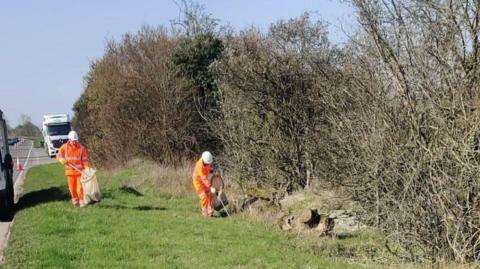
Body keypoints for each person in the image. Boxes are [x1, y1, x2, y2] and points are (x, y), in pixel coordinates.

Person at [56, 131, 89, 207]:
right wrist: (61, 160)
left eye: (76, 141)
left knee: (79, 188)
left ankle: (81, 201)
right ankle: (75, 200)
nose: (74, 142)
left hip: (79, 172)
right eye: (73, 141)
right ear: (69, 139)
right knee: (72, 188)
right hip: (69, 172)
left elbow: (85, 160)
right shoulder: (64, 147)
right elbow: (58, 156)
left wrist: (86, 168)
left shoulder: (81, 148)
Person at [192, 151, 216, 217]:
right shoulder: (199, 166)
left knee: (209, 194)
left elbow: (210, 168)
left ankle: (209, 208)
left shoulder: (208, 162)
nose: (209, 164)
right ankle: (204, 210)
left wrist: (212, 171)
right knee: (203, 196)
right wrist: (210, 187)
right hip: (198, 182)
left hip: (204, 180)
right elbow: (203, 178)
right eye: (207, 163)